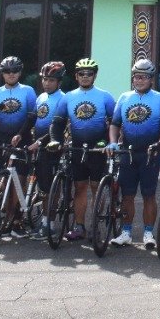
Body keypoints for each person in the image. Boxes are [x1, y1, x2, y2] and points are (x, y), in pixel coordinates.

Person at [48, 58, 115, 242]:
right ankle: (79, 226)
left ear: (94, 76)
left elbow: (115, 123)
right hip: (77, 148)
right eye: (82, 74)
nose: (85, 77)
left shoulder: (105, 96)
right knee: (79, 188)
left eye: (89, 74)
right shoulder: (68, 97)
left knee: (96, 188)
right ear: (76, 76)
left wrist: (112, 142)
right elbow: (57, 123)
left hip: (98, 148)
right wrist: (56, 140)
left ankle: (95, 224)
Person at [108, 59, 160, 249]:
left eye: (143, 77)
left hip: (150, 153)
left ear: (151, 79)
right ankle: (126, 232)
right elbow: (114, 123)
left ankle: (148, 233)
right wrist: (112, 142)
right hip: (128, 152)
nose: (139, 80)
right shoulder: (124, 97)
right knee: (127, 194)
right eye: (136, 76)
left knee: (148, 195)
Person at [31, 61, 66, 238]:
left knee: (52, 188)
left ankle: (49, 223)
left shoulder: (63, 98)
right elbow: (35, 121)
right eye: (45, 79)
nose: (47, 83)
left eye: (51, 80)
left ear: (59, 81)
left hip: (54, 147)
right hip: (39, 147)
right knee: (43, 187)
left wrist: (38, 142)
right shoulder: (41, 97)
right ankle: (42, 218)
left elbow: (57, 126)